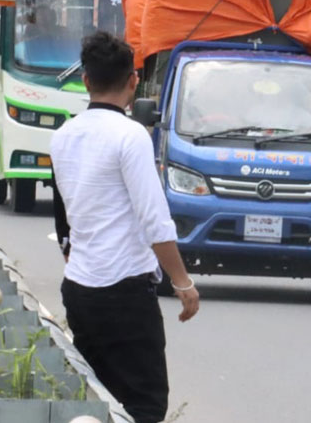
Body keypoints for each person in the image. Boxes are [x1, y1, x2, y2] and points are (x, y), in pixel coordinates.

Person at [50, 31, 200, 423]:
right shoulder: (131, 136)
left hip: (80, 290)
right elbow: (154, 219)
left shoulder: (63, 136)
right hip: (126, 294)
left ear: (85, 80)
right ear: (133, 80)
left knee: (99, 397)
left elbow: (64, 218)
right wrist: (182, 282)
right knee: (145, 405)